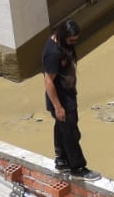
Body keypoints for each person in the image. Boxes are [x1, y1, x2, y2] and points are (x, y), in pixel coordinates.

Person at [42, 19, 99, 181]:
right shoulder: (54, 53)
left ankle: (61, 160)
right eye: (71, 40)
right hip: (61, 99)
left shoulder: (61, 44)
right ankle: (77, 167)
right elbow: (48, 81)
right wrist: (58, 107)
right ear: (62, 36)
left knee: (61, 128)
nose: (74, 43)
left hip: (66, 94)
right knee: (71, 133)